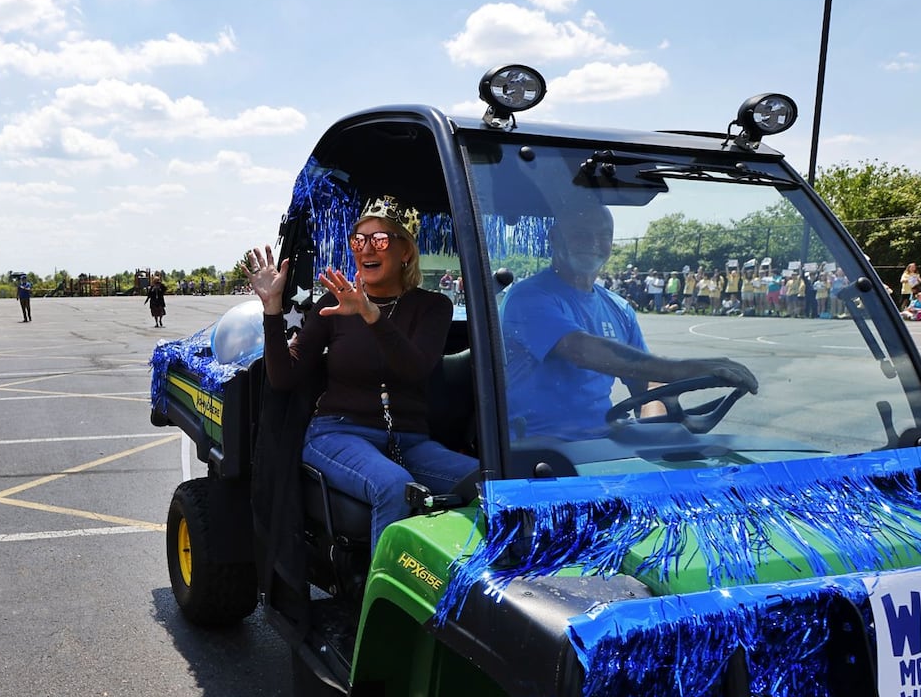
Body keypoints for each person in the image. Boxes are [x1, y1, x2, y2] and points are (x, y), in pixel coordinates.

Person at [247, 196, 477, 552]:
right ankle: (384, 602)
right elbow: (284, 377)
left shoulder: (432, 307)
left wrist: (371, 316)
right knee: (393, 486)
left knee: (486, 480)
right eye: (359, 239)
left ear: (405, 252)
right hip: (336, 433)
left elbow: (415, 368)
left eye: (380, 239)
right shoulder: (333, 304)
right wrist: (272, 309)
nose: (366, 247)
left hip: (410, 439)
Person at [501, 199, 757, 441]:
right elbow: (579, 349)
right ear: (555, 238)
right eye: (581, 234)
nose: (593, 243)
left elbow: (644, 380)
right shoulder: (528, 297)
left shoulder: (619, 308)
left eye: (603, 236)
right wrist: (683, 369)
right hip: (538, 449)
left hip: (602, 443)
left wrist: (655, 428)